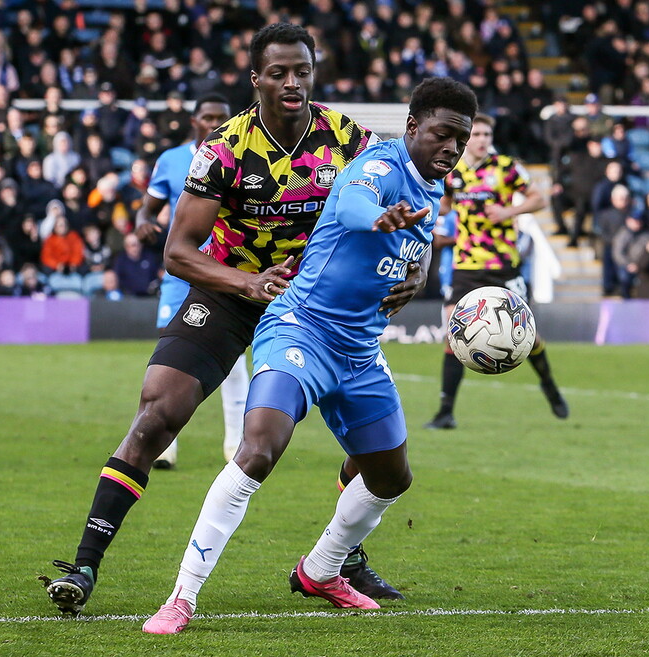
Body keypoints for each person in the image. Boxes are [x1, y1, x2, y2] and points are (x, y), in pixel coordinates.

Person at [45, 23, 418, 617]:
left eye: (301, 71)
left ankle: (342, 557)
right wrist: (247, 283)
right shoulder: (224, 148)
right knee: (157, 414)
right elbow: (177, 252)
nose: (292, 82)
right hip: (230, 291)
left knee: (373, 443)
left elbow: (404, 198)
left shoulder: (348, 137)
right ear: (256, 79)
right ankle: (85, 563)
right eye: (278, 73)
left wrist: (416, 267)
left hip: (314, 307)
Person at [141, 76, 478, 635]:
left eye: (460, 140)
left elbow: (412, 246)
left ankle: (321, 569)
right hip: (301, 329)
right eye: (442, 134)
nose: (451, 148)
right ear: (412, 126)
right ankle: (182, 597)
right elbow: (353, 204)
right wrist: (376, 218)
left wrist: (418, 272)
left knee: (391, 478)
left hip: (359, 349)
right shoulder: (380, 166)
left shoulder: (432, 185)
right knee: (258, 450)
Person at [423, 113, 568, 431]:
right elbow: (444, 204)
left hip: (503, 265)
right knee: (453, 335)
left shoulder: (506, 167)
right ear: (467, 138)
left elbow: (539, 199)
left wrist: (509, 211)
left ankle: (549, 386)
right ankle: (445, 412)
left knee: (527, 336)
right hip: (466, 265)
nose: (482, 140)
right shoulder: (453, 170)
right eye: (476, 135)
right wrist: (431, 214)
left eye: (487, 135)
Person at [135, 92, 245, 467]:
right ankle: (163, 446)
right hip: (182, 271)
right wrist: (143, 224)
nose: (215, 124)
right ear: (194, 121)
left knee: (234, 362)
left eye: (221, 117)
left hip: (227, 271)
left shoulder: (243, 156)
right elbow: (147, 209)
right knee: (170, 356)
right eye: (208, 117)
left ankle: (235, 445)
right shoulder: (171, 160)